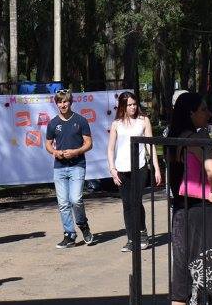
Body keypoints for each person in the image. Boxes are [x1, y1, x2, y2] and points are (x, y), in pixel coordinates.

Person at [161, 90, 212, 305]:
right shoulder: (198, 138)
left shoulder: (172, 139)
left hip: (180, 210)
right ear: (191, 113)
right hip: (204, 212)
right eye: (203, 109)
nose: (208, 114)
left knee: (181, 270)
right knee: (204, 270)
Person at [107, 90, 162, 252]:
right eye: (129, 105)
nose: (133, 107)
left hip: (139, 167)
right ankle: (131, 238)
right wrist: (112, 169)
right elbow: (110, 149)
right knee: (127, 203)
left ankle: (142, 232)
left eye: (134, 104)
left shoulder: (143, 120)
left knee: (136, 201)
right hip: (121, 169)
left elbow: (150, 145)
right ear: (122, 106)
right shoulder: (116, 124)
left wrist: (157, 169)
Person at [46, 89, 95, 247]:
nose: (62, 105)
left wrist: (76, 152)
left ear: (70, 102)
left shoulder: (80, 120)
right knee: (63, 203)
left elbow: (89, 144)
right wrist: (55, 152)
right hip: (59, 168)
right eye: (60, 102)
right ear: (56, 104)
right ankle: (69, 235)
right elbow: (48, 144)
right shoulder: (53, 123)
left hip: (77, 166)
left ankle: (83, 225)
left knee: (75, 199)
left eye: (65, 101)